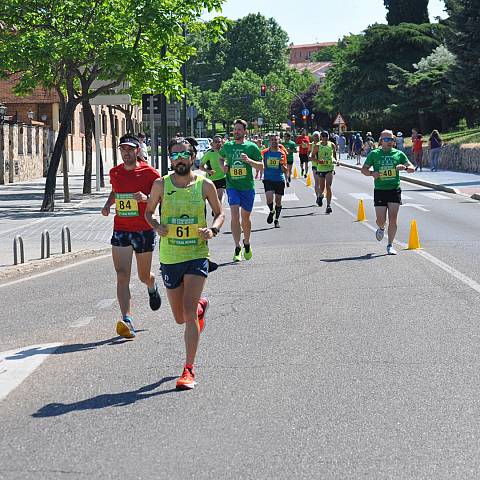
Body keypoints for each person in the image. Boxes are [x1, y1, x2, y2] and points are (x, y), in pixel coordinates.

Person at [145, 137, 225, 390]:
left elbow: (220, 213)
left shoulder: (205, 185)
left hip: (196, 254)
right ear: (170, 159)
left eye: (184, 154)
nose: (180, 159)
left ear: (193, 156)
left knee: (188, 314)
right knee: (180, 317)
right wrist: (156, 225)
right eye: (175, 155)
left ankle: (188, 370)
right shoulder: (161, 184)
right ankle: (200, 307)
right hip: (170, 256)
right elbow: (148, 212)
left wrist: (212, 230)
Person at [101, 134, 162, 338]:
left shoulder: (150, 173)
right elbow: (116, 191)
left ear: (137, 150)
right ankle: (127, 319)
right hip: (121, 229)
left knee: (143, 275)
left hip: (143, 229)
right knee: (121, 276)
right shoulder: (115, 172)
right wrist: (108, 204)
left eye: (130, 149)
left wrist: (146, 198)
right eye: (123, 149)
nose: (126, 153)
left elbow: (161, 197)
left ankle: (152, 286)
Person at [361, 130, 414, 255]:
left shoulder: (399, 154)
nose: (389, 142)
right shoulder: (374, 154)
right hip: (380, 190)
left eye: (391, 139)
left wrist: (405, 167)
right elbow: (363, 170)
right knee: (380, 219)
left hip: (394, 189)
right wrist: (371, 173)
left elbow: (412, 168)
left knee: (393, 218)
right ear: (381, 141)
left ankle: (390, 244)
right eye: (386, 139)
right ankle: (381, 228)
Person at [219, 119, 263, 262]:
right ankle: (237, 247)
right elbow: (221, 158)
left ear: (245, 131)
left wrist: (249, 161)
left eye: (239, 129)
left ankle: (247, 242)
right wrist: (223, 167)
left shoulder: (251, 147)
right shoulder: (228, 146)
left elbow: (261, 166)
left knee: (245, 218)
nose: (236, 131)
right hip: (232, 186)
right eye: (234, 129)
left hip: (247, 187)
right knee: (234, 215)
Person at [262, 133, 288, 228]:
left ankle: (276, 219)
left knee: (278, 201)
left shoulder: (282, 153)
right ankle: (271, 211)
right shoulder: (264, 152)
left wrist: (282, 164)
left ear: (279, 141)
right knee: (269, 199)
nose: (274, 141)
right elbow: (260, 163)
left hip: (279, 179)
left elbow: (285, 170)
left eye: (276, 140)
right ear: (269, 141)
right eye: (272, 140)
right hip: (268, 179)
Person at [313, 131, 337, 214]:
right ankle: (320, 196)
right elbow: (311, 157)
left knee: (328, 186)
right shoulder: (317, 146)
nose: (325, 138)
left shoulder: (332, 145)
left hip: (329, 168)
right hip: (320, 168)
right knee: (322, 187)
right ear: (321, 137)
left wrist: (336, 161)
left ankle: (328, 206)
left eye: (326, 136)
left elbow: (334, 155)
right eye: (323, 136)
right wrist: (319, 161)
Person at [200, 135, 226, 205]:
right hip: (211, 180)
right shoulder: (209, 154)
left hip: (222, 178)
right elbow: (200, 167)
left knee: (220, 198)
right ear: (212, 143)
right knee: (214, 199)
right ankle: (216, 209)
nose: (218, 143)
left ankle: (219, 209)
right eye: (216, 142)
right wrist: (209, 171)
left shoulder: (224, 152)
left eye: (219, 142)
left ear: (221, 143)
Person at [309, 131, 323, 206]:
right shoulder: (312, 145)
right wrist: (309, 157)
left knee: (322, 182)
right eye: (315, 136)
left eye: (317, 136)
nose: (316, 138)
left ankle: (320, 194)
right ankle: (318, 196)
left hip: (323, 166)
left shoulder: (322, 144)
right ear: (313, 137)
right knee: (317, 182)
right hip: (315, 165)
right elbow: (309, 153)